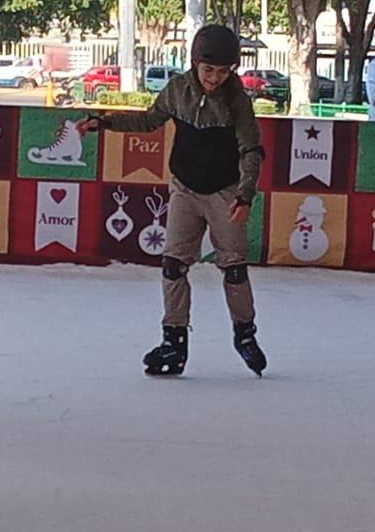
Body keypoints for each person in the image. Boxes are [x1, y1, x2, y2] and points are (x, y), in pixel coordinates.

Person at [78, 24, 268, 378]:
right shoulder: (178, 89)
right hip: (185, 187)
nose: (214, 78)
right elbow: (149, 120)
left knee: (233, 267)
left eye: (223, 72)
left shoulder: (237, 100)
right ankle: (174, 340)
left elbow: (251, 150)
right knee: (172, 265)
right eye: (208, 70)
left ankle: (245, 334)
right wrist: (103, 122)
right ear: (195, 63)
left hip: (225, 191)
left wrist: (245, 195)